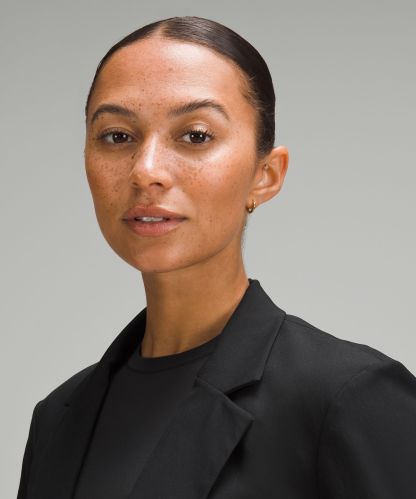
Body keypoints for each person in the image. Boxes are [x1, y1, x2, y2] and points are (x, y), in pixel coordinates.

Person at [17, 15, 416, 499]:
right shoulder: (57, 419)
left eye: (196, 135)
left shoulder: (349, 397)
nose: (146, 170)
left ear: (266, 175)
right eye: (117, 136)